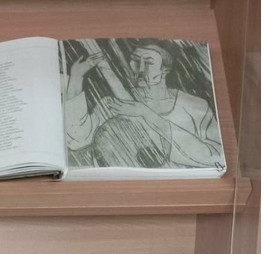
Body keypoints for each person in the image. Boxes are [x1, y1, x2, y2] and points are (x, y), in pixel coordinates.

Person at [63, 43, 223, 170]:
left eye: (148, 62)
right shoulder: (117, 103)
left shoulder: (195, 106)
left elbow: (215, 158)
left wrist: (145, 113)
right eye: (135, 60)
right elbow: (78, 138)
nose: (140, 68)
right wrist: (76, 77)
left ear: (164, 70)